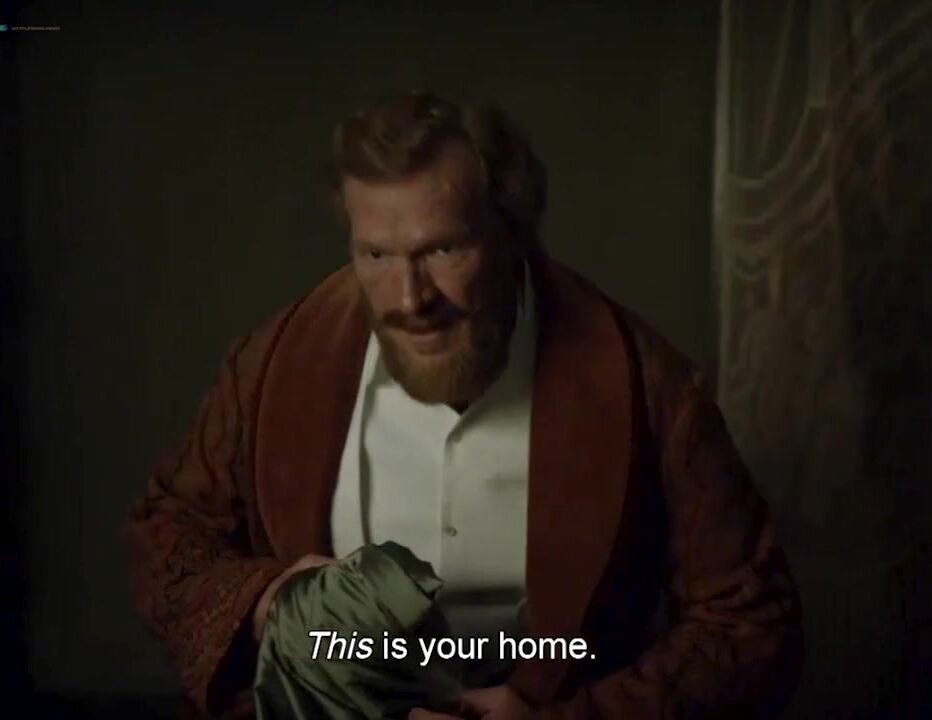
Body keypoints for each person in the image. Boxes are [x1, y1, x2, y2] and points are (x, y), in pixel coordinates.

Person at [123, 90, 804, 720]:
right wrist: (266, 600)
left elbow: (750, 624)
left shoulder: (649, 386)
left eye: (444, 248)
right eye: (376, 254)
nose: (409, 298)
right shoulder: (272, 365)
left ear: (513, 235)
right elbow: (167, 534)